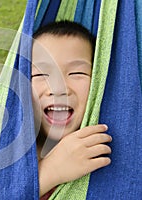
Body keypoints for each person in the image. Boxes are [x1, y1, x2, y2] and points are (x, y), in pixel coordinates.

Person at [31, 21, 113, 199]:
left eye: (77, 73)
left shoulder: (110, 146)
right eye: (40, 74)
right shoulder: (9, 156)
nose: (58, 88)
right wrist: (49, 172)